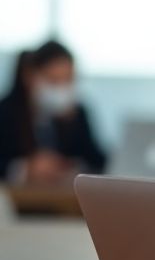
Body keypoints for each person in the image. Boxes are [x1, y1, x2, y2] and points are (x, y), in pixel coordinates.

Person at [0, 39, 107, 183]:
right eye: (53, 80)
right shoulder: (5, 112)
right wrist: (25, 168)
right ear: (30, 76)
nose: (61, 89)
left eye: (68, 80)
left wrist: (71, 165)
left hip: (64, 195)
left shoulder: (77, 113)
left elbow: (97, 160)